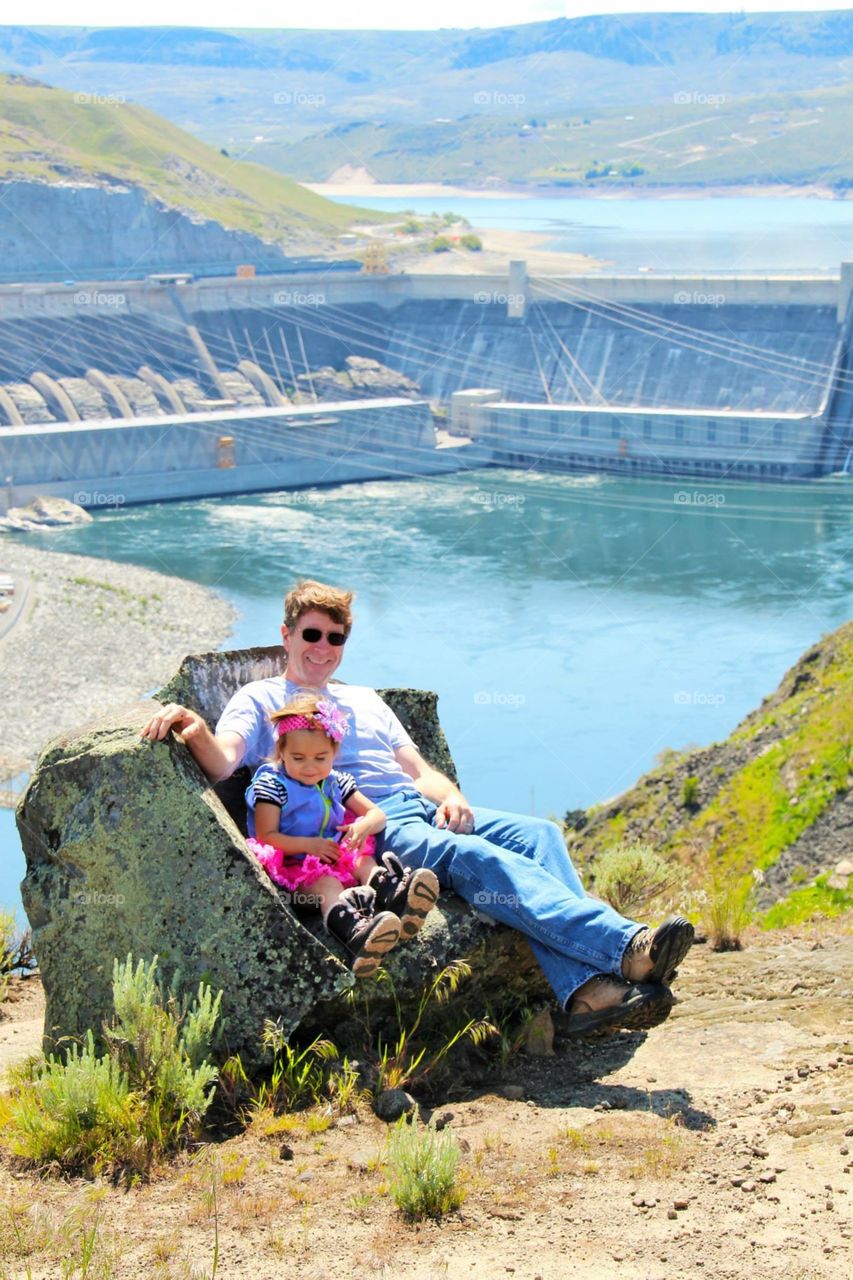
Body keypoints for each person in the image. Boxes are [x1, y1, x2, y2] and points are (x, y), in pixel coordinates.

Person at [143, 579, 694, 1035]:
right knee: (475, 860)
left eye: (335, 637)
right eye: (311, 633)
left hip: (420, 805)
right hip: (367, 824)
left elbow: (418, 769)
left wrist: (451, 795)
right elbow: (224, 762)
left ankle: (584, 992)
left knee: (541, 835)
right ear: (286, 635)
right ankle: (623, 948)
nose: (323, 646)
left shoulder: (365, 700)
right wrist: (192, 727)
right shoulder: (263, 698)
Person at [245, 690, 439, 978]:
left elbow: (377, 815)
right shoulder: (273, 785)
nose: (310, 766)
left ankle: (390, 893)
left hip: (333, 853)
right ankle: (356, 933)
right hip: (295, 865)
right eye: (298, 758)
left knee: (362, 857)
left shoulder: (336, 781)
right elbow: (266, 835)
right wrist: (309, 845)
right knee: (325, 886)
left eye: (320, 757)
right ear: (281, 751)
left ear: (334, 753)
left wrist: (362, 826)